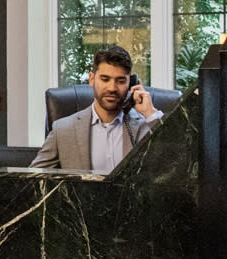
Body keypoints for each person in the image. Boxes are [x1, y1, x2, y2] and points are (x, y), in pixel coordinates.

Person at [30, 44, 160, 176]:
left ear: (131, 83)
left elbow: (172, 169)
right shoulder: (63, 130)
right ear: (92, 79)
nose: (112, 88)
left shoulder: (147, 127)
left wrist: (150, 112)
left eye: (120, 81)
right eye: (105, 79)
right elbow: (31, 179)